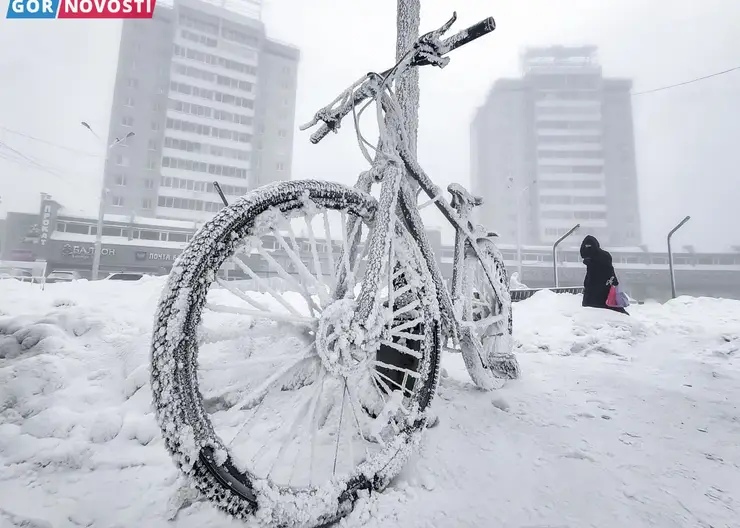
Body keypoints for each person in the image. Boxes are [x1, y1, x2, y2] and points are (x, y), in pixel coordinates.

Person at [579, 235, 628, 315]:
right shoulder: (602, 257)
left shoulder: (598, 259)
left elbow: (602, 274)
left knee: (595, 310)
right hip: (603, 290)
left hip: (600, 292)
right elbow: (610, 272)